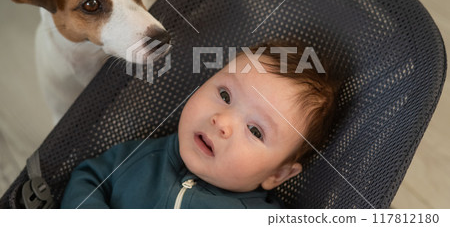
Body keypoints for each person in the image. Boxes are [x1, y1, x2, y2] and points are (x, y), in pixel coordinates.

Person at [60, 41, 339, 208]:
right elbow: (88, 178)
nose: (223, 122)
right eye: (225, 95)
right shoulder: (142, 157)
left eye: (255, 130)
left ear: (277, 175)